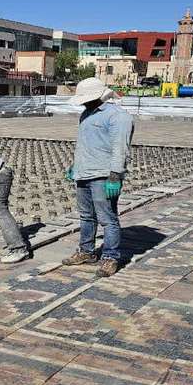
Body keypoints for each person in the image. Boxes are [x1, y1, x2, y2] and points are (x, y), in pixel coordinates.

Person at [61, 77, 135, 278]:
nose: (83, 102)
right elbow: (87, 144)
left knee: (107, 219)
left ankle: (111, 257)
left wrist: (114, 176)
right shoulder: (86, 114)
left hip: (103, 176)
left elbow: (121, 149)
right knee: (86, 216)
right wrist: (75, 167)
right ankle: (86, 252)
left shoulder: (118, 117)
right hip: (84, 174)